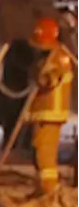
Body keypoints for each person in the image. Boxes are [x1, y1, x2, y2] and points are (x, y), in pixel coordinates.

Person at [26, 18, 74, 194]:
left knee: (45, 154)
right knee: (37, 153)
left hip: (51, 113)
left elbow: (53, 78)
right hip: (41, 113)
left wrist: (42, 78)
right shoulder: (46, 57)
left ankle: (49, 191)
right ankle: (41, 189)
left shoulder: (61, 56)